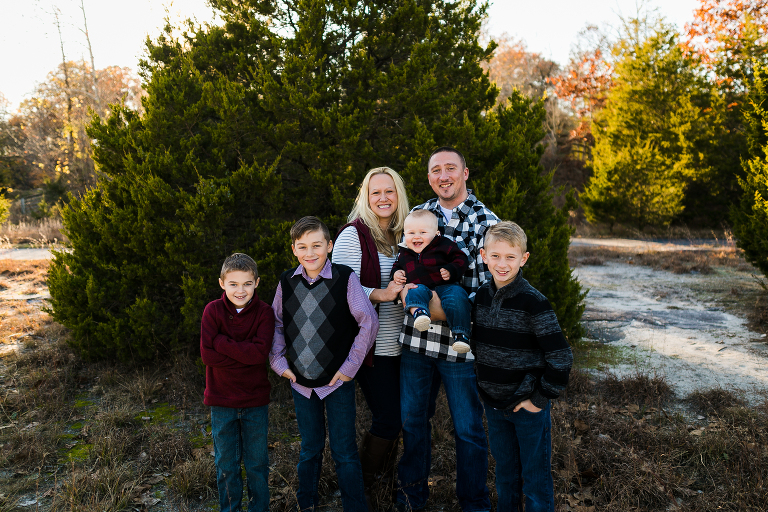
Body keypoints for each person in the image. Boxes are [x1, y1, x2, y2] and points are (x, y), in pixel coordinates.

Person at [395, 147, 498, 512]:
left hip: (459, 345)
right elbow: (403, 272)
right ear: (429, 177)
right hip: (416, 344)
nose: (444, 176)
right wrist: (403, 289)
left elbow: (487, 289)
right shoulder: (417, 217)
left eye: (450, 168)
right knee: (413, 423)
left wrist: (440, 309)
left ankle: (474, 503)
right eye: (436, 170)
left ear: (465, 173)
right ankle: (410, 499)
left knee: (468, 429)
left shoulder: (486, 222)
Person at [270, 216, 378, 512]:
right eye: (302, 246)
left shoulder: (345, 278)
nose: (310, 253)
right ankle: (307, 505)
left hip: (337, 383)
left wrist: (349, 368)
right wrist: (279, 363)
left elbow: (368, 321)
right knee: (310, 450)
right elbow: (276, 324)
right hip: (301, 383)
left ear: (329, 246)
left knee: (344, 452)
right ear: (293, 249)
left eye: (317, 245)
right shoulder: (285, 282)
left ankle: (355, 507)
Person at [473, 221, 573, 512]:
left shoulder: (534, 303)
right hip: (494, 405)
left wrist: (539, 399)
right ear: (484, 256)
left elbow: (561, 356)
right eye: (495, 256)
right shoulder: (480, 296)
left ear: (523, 259)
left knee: (535, 480)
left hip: (528, 408)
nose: (502, 264)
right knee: (505, 477)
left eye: (510, 257)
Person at [332, 167, 408, 504]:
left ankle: (387, 485)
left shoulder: (406, 233)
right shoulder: (353, 235)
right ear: (365, 196)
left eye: (389, 192)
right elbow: (340, 289)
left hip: (404, 344)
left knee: (403, 418)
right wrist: (382, 293)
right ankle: (360, 486)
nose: (382, 198)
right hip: (370, 346)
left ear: (398, 195)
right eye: (375, 192)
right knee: (389, 418)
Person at [200, 253, 274, 512]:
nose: (240, 290)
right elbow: (207, 355)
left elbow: (259, 354)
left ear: (257, 282)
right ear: (222, 283)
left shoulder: (265, 312)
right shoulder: (213, 311)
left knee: (257, 464)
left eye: (246, 284)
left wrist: (221, 342)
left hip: (255, 401)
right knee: (227, 464)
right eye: (233, 284)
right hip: (222, 400)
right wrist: (244, 352)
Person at [391, 209, 471, 353]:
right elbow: (396, 266)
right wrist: (396, 273)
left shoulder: (444, 245)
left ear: (436, 234)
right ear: (404, 234)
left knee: (458, 295)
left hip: (446, 286)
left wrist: (451, 270)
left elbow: (461, 259)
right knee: (413, 290)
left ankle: (461, 335)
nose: (416, 237)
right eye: (411, 233)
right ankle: (420, 314)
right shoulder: (404, 251)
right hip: (421, 286)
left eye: (423, 232)